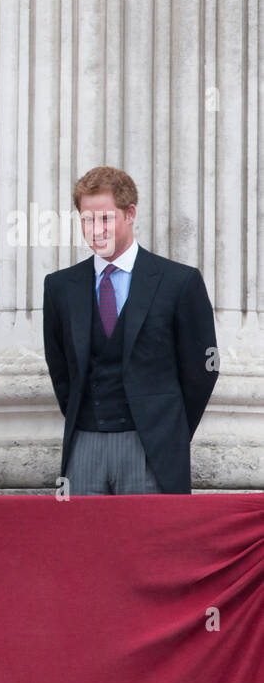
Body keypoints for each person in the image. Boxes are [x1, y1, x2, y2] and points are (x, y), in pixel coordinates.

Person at [43, 166, 218, 494]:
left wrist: (168, 429)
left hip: (152, 447)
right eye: (86, 219)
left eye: (105, 219)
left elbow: (203, 369)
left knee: (151, 544)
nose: (96, 230)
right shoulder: (60, 287)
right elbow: (60, 369)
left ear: (130, 213)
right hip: (84, 445)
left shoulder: (179, 282)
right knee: (82, 542)